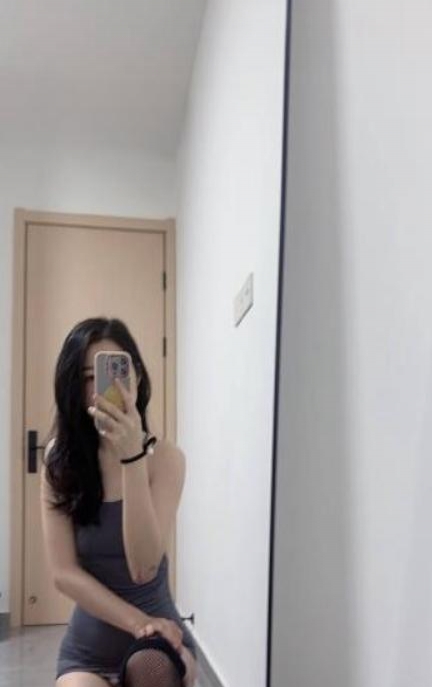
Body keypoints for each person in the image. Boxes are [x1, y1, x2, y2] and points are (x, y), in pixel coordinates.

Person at [41, 317, 197, 687]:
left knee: (151, 671)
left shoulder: (167, 459)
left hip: (158, 643)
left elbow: (143, 568)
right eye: (88, 376)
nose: (101, 388)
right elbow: (63, 574)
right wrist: (139, 622)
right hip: (90, 646)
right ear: (73, 387)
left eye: (116, 372)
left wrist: (132, 458)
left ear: (136, 378)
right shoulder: (59, 460)